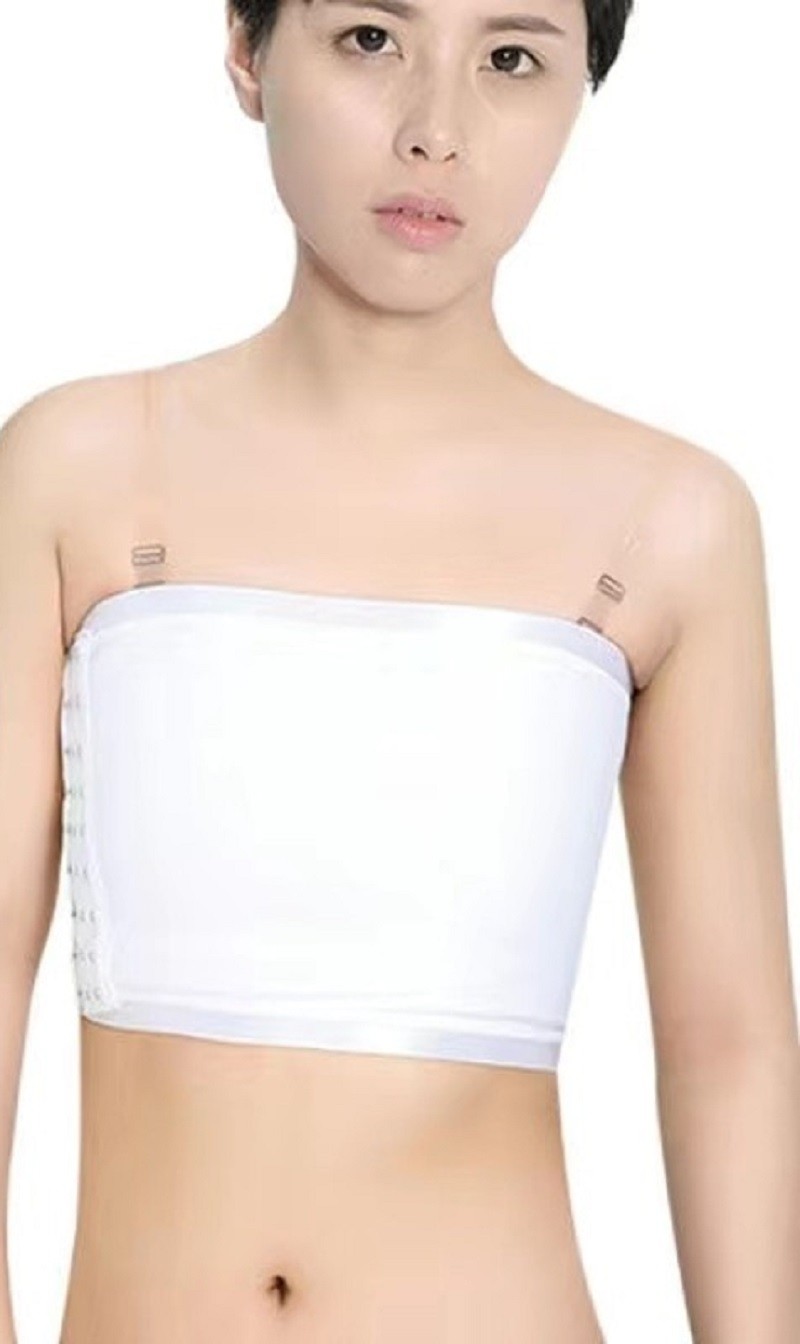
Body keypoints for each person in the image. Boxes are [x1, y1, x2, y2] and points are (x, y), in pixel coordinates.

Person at [2, 1, 799, 1340]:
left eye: (511, 59)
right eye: (372, 37)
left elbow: (730, 1046)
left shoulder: (667, 523)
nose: (438, 130)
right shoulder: (76, 471)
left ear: (582, 90)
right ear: (249, 51)